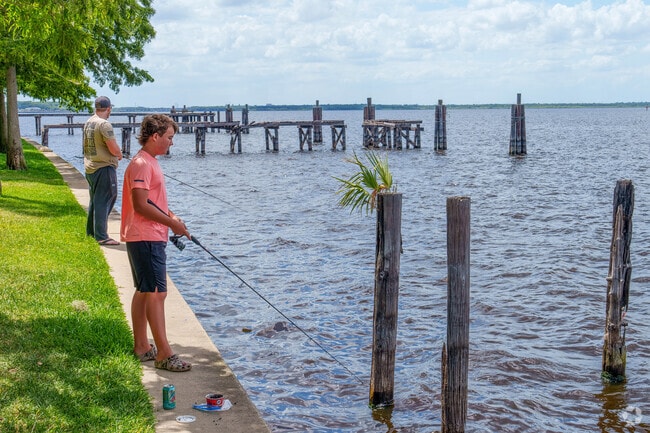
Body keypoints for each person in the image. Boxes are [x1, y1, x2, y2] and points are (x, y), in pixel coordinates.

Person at [120, 114, 192, 372]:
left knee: (144, 290)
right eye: (169, 137)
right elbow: (140, 205)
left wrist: (171, 217)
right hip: (146, 235)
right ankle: (164, 353)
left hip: (145, 235)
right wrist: (172, 225)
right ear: (155, 136)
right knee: (156, 293)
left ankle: (142, 347)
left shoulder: (148, 161)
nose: (172, 143)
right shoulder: (142, 164)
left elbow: (152, 202)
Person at [83, 95, 123, 245]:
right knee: (105, 200)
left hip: (90, 167)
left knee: (95, 200)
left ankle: (91, 232)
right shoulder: (104, 124)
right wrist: (119, 154)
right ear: (108, 109)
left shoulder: (89, 122)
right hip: (104, 167)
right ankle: (102, 236)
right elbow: (113, 147)